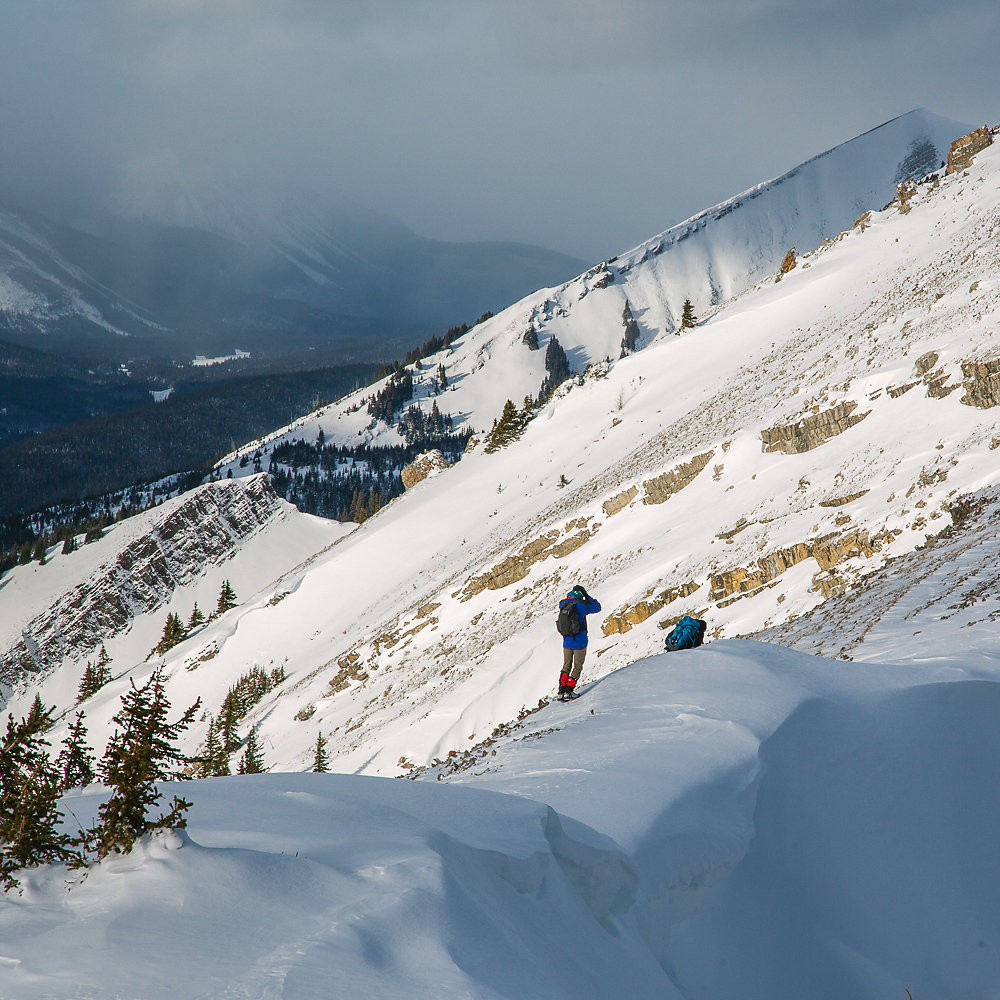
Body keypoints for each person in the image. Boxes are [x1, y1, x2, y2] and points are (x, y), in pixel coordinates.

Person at [557, 585, 601, 700]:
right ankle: (569, 691)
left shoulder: (563, 604)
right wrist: (586, 596)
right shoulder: (582, 605)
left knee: (566, 666)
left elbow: (563, 601)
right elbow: (597, 607)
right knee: (577, 666)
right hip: (580, 641)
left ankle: (561, 691)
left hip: (567, 641)